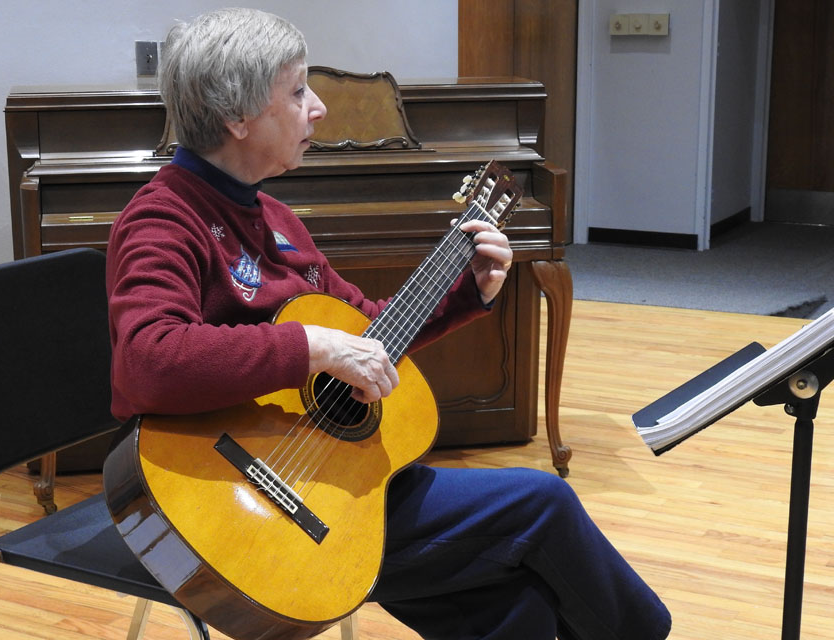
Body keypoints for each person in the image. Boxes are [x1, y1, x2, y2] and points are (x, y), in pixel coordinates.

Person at [106, 8, 671, 640]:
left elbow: (367, 330)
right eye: (296, 91)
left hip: (333, 484)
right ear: (237, 117)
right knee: (544, 505)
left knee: (512, 600)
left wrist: (465, 292)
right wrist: (312, 347)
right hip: (241, 503)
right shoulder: (164, 219)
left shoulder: (274, 216)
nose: (317, 107)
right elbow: (149, 359)